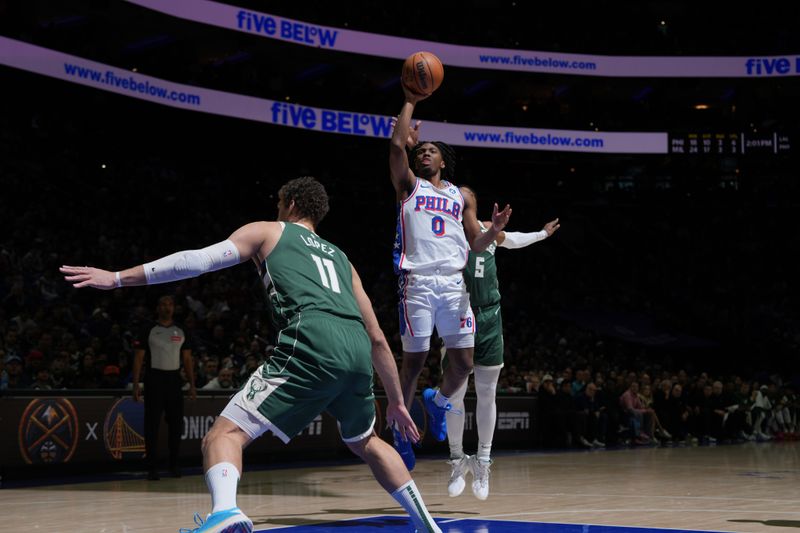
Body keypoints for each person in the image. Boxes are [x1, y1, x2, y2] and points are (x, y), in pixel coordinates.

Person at [61, 176, 442, 533]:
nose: (276, 208)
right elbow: (377, 337)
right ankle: (427, 523)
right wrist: (396, 401)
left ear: (290, 203)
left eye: (278, 202)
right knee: (367, 441)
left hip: (311, 338)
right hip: (356, 348)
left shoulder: (268, 231)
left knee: (223, 435)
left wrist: (116, 278)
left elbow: (197, 260)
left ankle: (225, 511)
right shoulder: (342, 259)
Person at [389, 86, 512, 471]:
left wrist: (496, 232)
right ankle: (399, 432)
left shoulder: (462, 195)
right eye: (420, 150)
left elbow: (476, 243)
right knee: (414, 362)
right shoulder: (409, 186)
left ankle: (438, 403)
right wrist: (410, 100)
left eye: (431, 150)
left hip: (454, 285)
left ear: (444, 160)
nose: (424, 152)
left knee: (463, 364)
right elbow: (396, 148)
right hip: (419, 282)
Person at [443, 185, 559, 499]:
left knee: (486, 392)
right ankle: (456, 459)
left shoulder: (487, 230)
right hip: (457, 317)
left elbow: (514, 239)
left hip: (490, 317)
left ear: (474, 202)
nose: (460, 195)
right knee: (454, 395)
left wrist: (541, 235)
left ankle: (482, 461)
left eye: (466, 194)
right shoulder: (443, 231)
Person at [131, 294, 197, 480]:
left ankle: (174, 465)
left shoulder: (181, 330)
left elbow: (187, 360)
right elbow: (138, 358)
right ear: (157, 308)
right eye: (163, 304)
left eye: (170, 304)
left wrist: (192, 385)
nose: (167, 307)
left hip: (174, 381)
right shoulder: (148, 329)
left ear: (174, 308)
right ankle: (152, 468)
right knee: (151, 425)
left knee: (176, 425)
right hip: (154, 380)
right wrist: (136, 384)